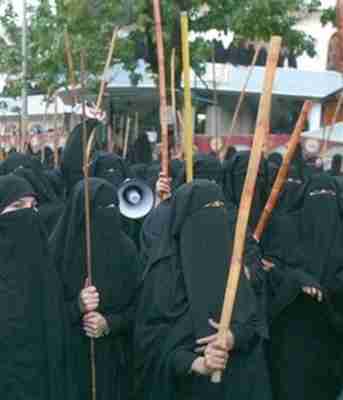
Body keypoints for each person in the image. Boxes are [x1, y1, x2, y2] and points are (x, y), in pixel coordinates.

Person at [134, 180, 272, 400]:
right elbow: (150, 343)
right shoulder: (163, 271)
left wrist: (232, 337)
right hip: (185, 389)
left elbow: (255, 324)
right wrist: (195, 363)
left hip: (237, 384)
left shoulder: (232, 265)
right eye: (206, 210)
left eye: (219, 209)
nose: (214, 219)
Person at [50, 178, 141, 400]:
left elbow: (141, 307)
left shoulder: (127, 249)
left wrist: (109, 324)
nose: (109, 214)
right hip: (68, 361)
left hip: (115, 363)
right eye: (102, 209)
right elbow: (41, 314)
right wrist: (76, 307)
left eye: (113, 208)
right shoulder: (57, 253)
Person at [262, 174, 343, 400]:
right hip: (292, 334)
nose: (322, 202)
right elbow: (270, 267)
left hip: (333, 335)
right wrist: (297, 279)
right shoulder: (285, 227)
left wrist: (325, 291)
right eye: (315, 195)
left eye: (329, 196)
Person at [0, 175, 72, 400]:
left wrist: (78, 306)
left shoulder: (43, 263)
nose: (28, 214)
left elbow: (56, 319)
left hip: (41, 381)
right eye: (18, 206)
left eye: (33, 206)